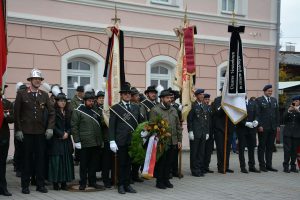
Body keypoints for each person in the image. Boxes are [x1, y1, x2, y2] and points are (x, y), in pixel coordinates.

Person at [14, 69, 55, 194]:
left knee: (40, 160)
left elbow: (52, 112)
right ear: (30, 80)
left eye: (39, 79)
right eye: (35, 79)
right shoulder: (22, 94)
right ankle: (25, 185)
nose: (37, 81)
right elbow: (16, 114)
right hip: (26, 133)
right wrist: (18, 130)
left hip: (40, 133)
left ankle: (40, 184)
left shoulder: (44, 95)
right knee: (26, 160)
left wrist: (49, 128)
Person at [109, 84, 141, 194]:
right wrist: (112, 140)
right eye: (125, 94)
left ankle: (127, 185)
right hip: (120, 140)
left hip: (132, 140)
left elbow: (140, 123)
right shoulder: (116, 108)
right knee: (121, 164)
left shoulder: (136, 107)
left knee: (129, 164)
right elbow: (112, 126)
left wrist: (144, 133)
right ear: (121, 95)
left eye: (129, 94)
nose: (127, 95)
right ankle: (121, 185)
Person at [149, 89, 182, 189]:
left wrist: (179, 140)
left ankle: (166, 179)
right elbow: (152, 126)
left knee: (169, 162)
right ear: (162, 99)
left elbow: (178, 126)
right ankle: (160, 181)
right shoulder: (155, 110)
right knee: (161, 163)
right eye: (167, 98)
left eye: (170, 98)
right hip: (161, 142)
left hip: (173, 141)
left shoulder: (173, 110)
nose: (169, 100)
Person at [71, 91, 104, 190]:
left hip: (96, 142)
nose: (91, 103)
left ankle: (92, 182)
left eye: (92, 101)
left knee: (93, 165)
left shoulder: (95, 111)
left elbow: (101, 123)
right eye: (89, 101)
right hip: (84, 143)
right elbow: (74, 126)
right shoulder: (78, 111)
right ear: (84, 101)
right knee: (84, 165)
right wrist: (76, 141)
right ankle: (83, 183)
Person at [48, 92, 74, 190]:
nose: (62, 103)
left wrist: (67, 132)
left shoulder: (68, 112)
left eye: (64, 101)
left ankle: (64, 182)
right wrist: (61, 134)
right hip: (56, 140)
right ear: (56, 102)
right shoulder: (53, 112)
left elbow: (71, 125)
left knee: (65, 161)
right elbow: (51, 125)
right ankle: (55, 183)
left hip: (66, 140)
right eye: (60, 101)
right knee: (56, 161)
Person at [256, 84, 280, 172]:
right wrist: (259, 125)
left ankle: (269, 165)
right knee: (262, 146)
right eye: (268, 91)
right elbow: (257, 114)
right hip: (263, 128)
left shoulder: (274, 100)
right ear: (265, 91)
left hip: (272, 127)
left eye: (271, 91)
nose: (270, 92)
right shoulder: (259, 100)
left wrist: (277, 125)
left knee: (270, 147)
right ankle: (262, 165)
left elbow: (277, 114)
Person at [187, 89, 210, 177]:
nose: (202, 96)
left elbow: (206, 120)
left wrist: (207, 132)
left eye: (203, 94)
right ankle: (194, 170)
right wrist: (190, 131)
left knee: (201, 152)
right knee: (194, 152)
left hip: (203, 133)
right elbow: (190, 120)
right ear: (196, 96)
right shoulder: (192, 105)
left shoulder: (204, 106)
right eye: (200, 94)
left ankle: (200, 168)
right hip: (195, 133)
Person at [211, 89, 234, 174]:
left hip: (229, 128)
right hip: (219, 128)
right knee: (220, 149)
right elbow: (218, 112)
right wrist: (223, 105)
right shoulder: (217, 100)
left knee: (228, 149)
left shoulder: (231, 100)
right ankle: (221, 167)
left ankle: (226, 166)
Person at [236, 96, 260, 173]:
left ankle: (252, 166)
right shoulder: (238, 104)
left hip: (252, 129)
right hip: (242, 129)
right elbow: (236, 116)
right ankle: (243, 167)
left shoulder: (253, 103)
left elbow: (257, 114)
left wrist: (256, 120)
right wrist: (245, 123)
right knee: (241, 149)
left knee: (251, 148)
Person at [94, 90, 113, 188]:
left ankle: (108, 178)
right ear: (97, 99)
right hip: (100, 138)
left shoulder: (107, 108)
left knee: (108, 160)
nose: (101, 99)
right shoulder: (95, 109)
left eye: (103, 98)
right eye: (100, 98)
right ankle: (105, 179)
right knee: (103, 160)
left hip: (108, 138)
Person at [0, 85, 14, 196]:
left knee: (2, 164)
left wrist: (4, 115)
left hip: (3, 137)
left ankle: (3, 188)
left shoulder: (7, 103)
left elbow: (12, 119)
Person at [129, 87, 144, 183]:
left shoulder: (139, 105)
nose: (138, 97)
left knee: (138, 156)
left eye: (138, 95)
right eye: (136, 95)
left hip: (139, 133)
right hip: (131, 134)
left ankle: (135, 174)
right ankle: (130, 176)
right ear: (132, 96)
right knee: (130, 157)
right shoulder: (130, 106)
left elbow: (142, 119)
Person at [282, 96, 300, 173]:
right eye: (294, 101)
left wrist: (298, 110)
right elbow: (283, 120)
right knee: (287, 150)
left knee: (294, 151)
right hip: (288, 133)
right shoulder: (289, 109)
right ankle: (286, 166)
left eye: (296, 101)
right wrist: (288, 111)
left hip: (297, 133)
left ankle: (293, 166)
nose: (295, 102)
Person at [13, 82, 27, 178]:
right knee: (19, 150)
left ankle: (23, 168)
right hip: (18, 129)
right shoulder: (15, 102)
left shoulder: (27, 100)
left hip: (27, 129)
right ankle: (18, 168)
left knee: (25, 150)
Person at [70, 85, 84, 165]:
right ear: (78, 92)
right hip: (77, 123)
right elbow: (73, 111)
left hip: (83, 123)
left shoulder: (83, 100)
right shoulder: (73, 100)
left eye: (83, 92)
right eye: (81, 92)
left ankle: (80, 158)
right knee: (77, 142)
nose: (82, 93)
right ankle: (77, 159)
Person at [203, 93, 214, 173]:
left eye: (208, 99)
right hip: (203, 132)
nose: (207, 101)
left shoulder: (210, 108)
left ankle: (206, 166)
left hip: (210, 132)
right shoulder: (201, 107)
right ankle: (201, 167)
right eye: (205, 99)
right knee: (202, 150)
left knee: (209, 151)